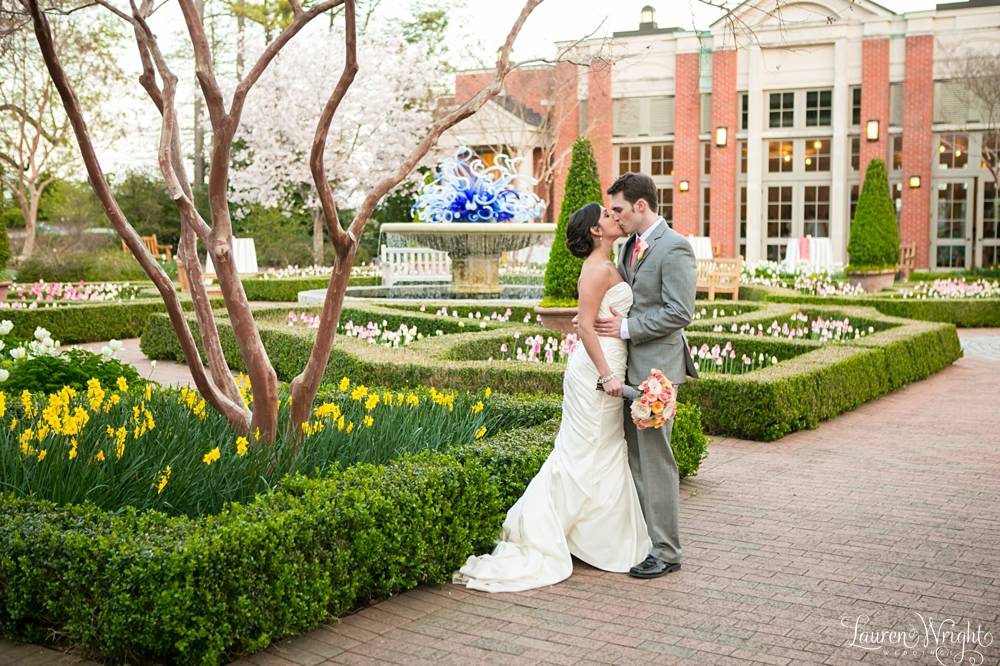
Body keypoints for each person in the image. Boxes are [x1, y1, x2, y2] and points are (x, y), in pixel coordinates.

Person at [453, 202, 650, 592]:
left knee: (605, 449)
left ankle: (597, 538)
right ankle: (549, 531)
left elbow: (590, 318)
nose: (615, 218)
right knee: (582, 451)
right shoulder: (594, 270)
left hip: (611, 361)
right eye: (608, 217)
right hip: (597, 370)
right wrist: (608, 375)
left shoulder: (612, 263)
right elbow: (588, 331)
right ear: (596, 231)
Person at [594, 171, 698, 579]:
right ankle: (645, 540)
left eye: (619, 209)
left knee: (656, 463)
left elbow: (679, 312)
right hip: (628, 368)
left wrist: (625, 328)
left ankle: (668, 553)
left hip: (657, 373)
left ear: (641, 206)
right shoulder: (630, 247)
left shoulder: (675, 248)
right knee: (635, 460)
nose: (615, 217)